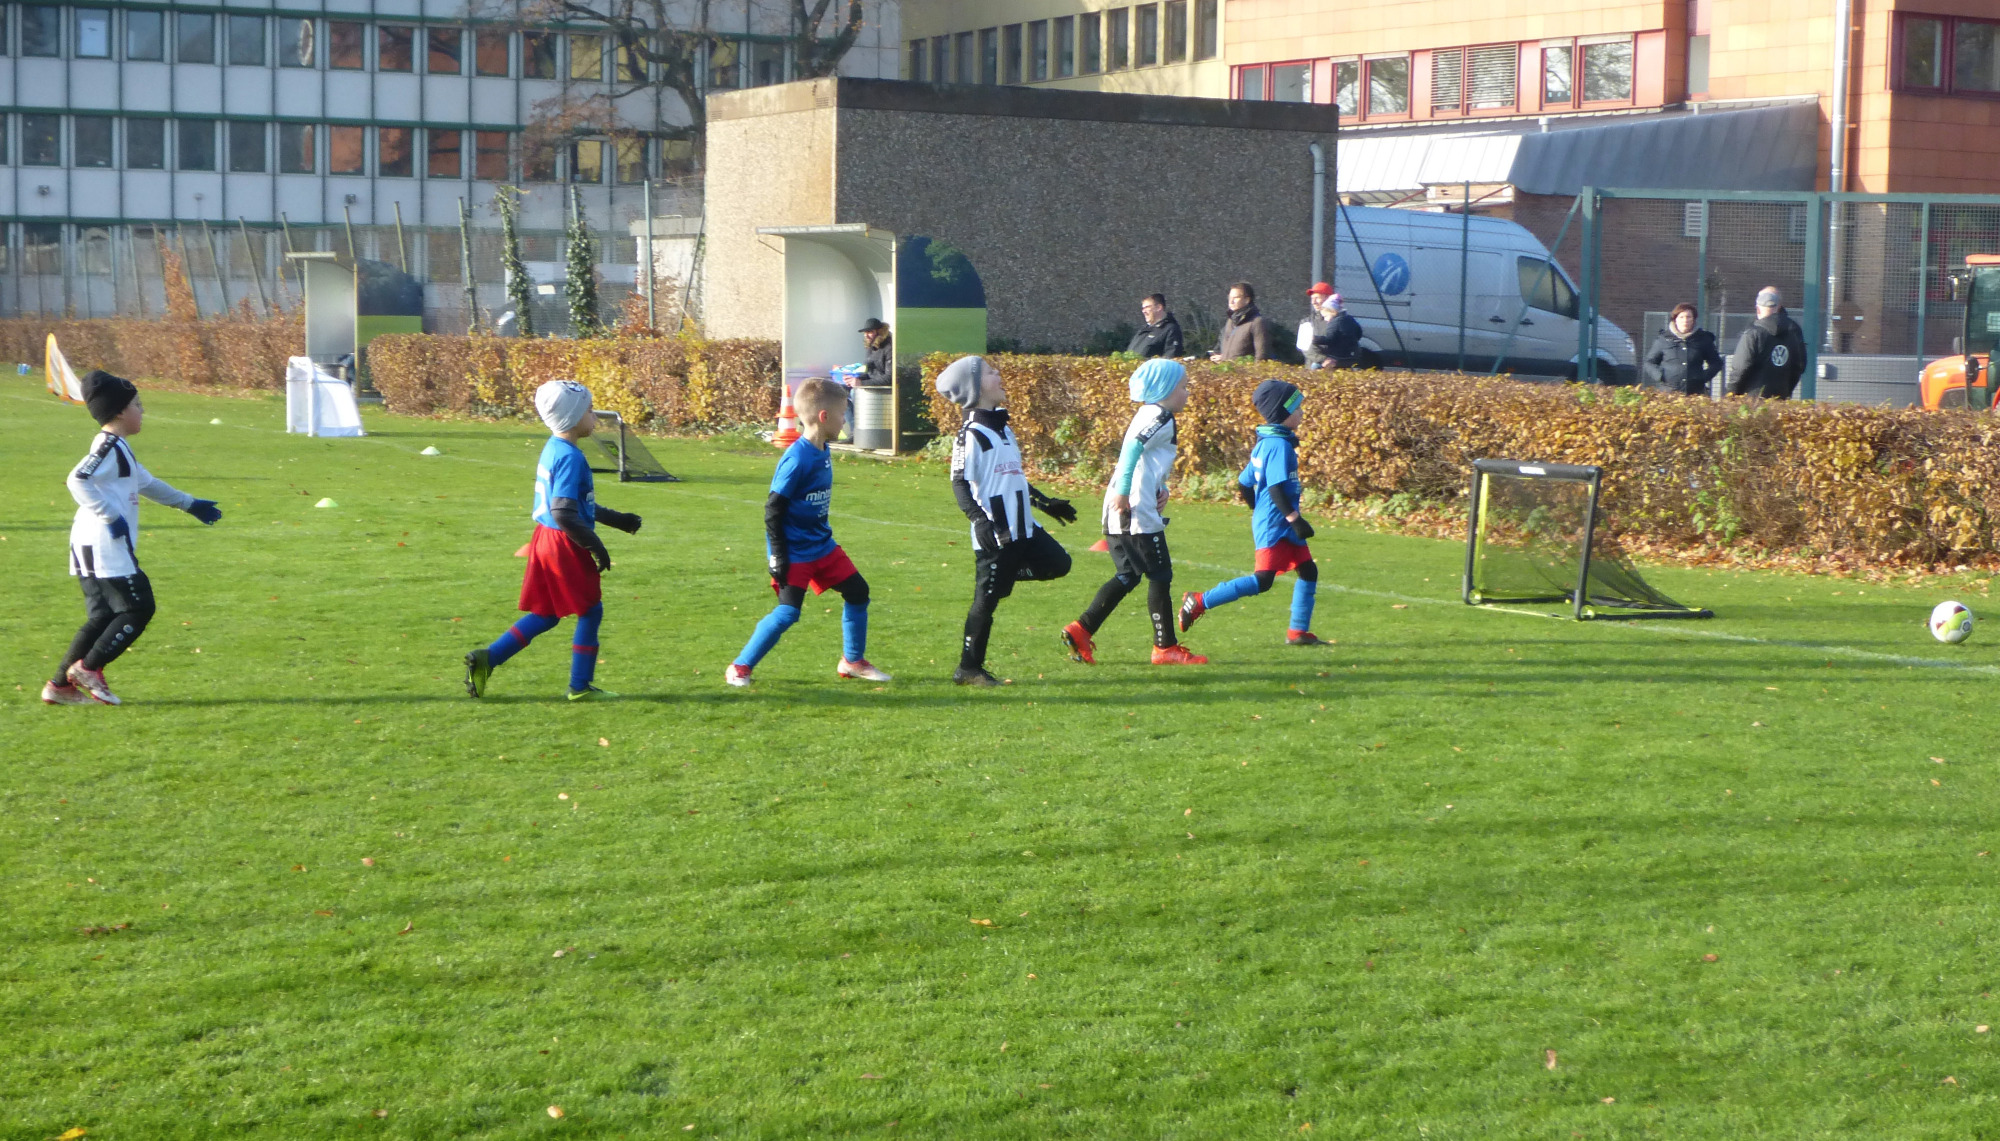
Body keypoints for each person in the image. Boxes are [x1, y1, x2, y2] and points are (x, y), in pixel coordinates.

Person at [43, 371, 223, 705]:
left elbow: (147, 482)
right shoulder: (110, 446)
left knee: (102, 617)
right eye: (138, 404)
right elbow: (76, 479)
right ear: (121, 410)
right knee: (139, 608)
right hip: (104, 543)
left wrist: (190, 504)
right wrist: (110, 516)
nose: (143, 410)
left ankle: (59, 686)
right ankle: (88, 668)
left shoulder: (118, 448)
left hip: (86, 543)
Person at [465, 381, 643, 701]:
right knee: (590, 610)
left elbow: (574, 506)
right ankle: (580, 686)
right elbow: (564, 512)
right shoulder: (571, 457)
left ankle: (488, 658)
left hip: (545, 540)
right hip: (564, 543)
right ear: (572, 417)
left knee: (548, 613)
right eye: (588, 410)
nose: (593, 416)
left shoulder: (553, 447)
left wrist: (618, 520)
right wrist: (595, 546)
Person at [726, 377, 889, 686]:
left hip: (822, 546)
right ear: (825, 417)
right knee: (788, 613)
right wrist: (777, 555)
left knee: (858, 593)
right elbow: (773, 508)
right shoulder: (797, 458)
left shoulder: (822, 448)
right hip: (794, 551)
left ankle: (852, 661)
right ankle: (739, 667)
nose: (845, 419)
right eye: (842, 413)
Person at [936, 354, 1079, 687]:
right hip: (998, 535)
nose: (998, 373)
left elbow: (1015, 478)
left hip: (1025, 528)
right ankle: (968, 669)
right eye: (989, 372)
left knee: (1059, 563)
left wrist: (1046, 503)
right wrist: (978, 520)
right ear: (973, 388)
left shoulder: (1003, 428)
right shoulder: (969, 434)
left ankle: (1006, 577)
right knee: (986, 601)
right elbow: (958, 482)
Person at [1061, 358, 1207, 667]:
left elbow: (1145, 459)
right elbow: (1132, 451)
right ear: (1165, 389)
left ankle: (1081, 629)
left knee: (1128, 575)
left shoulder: (1147, 412)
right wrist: (1126, 492)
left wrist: (1160, 486)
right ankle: (1164, 648)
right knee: (1160, 574)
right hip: (1133, 508)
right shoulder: (1162, 416)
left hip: (1121, 506)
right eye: (1183, 387)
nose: (1187, 392)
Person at [1178, 379, 1325, 647]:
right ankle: (1199, 601)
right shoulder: (1279, 446)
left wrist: (1257, 510)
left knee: (1308, 571)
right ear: (1284, 413)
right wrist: (1294, 520)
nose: (1302, 414)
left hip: (1276, 521)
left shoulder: (1267, 442)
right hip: (1278, 524)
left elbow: (1245, 482)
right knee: (1262, 580)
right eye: (1298, 409)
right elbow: (1277, 488)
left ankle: (1298, 632)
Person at [1727, 287, 1809, 399]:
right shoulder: (1793, 331)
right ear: (1778, 307)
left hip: (1752, 398)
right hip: (1780, 397)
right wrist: (1786, 390)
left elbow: (1741, 367)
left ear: (1758, 309)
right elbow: (1798, 366)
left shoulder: (1753, 333)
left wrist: (1731, 392)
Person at [1643, 303, 1724, 396]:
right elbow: (1649, 362)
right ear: (1675, 319)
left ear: (1694, 319)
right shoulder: (1663, 339)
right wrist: (1660, 376)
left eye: (1688, 317)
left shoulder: (1703, 339)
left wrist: (1703, 377)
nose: (1685, 320)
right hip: (1668, 393)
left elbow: (1716, 363)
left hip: (1696, 394)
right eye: (1681, 317)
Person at [1300, 285, 1363, 370]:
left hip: (1340, 367)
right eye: (1312, 298)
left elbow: (1353, 341)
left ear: (1328, 298)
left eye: (1317, 298)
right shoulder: (1306, 322)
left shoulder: (1343, 321)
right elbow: (1305, 346)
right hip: (1316, 368)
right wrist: (1324, 360)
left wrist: (1338, 361)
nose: (1313, 302)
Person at [1212, 282, 1274, 361]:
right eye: (1230, 297)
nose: (1231, 301)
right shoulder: (1230, 321)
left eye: (1236, 298)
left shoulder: (1257, 322)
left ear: (1247, 300)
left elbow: (1262, 356)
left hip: (1245, 372)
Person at [1126, 294, 1184, 359]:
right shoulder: (1143, 331)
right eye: (1143, 308)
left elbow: (1172, 358)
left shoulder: (1171, 329)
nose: (1144, 311)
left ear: (1159, 307)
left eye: (1147, 307)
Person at [859, 318, 893, 386]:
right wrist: (854, 378)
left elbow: (890, 378)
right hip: (872, 390)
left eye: (869, 332)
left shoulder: (889, 348)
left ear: (879, 332)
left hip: (885, 393)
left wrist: (861, 383)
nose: (866, 335)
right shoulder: (870, 346)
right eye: (865, 332)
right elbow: (867, 372)